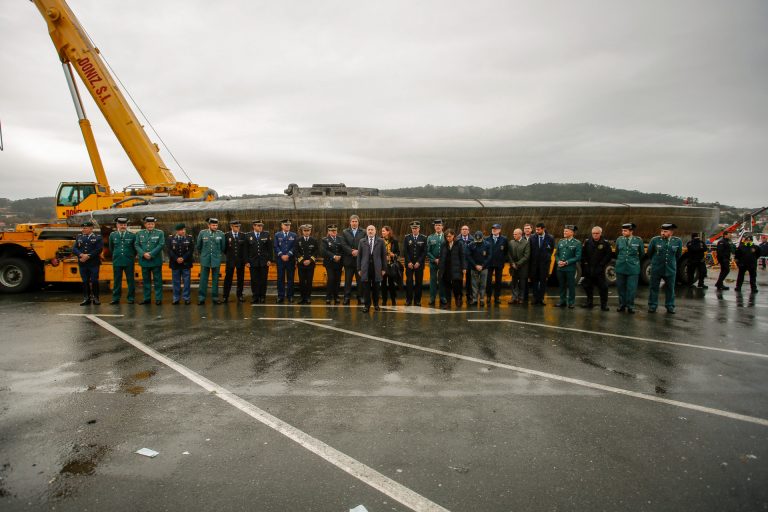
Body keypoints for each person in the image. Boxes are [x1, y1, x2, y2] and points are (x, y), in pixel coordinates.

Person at [647, 223, 683, 314]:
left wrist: (671, 263)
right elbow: (650, 253)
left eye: (665, 231)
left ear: (671, 232)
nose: (663, 233)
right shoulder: (655, 240)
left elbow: (678, 255)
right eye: (662, 231)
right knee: (654, 287)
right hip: (656, 268)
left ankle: (670, 306)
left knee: (670, 288)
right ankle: (652, 305)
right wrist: (655, 262)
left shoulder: (677, 241)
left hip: (670, 269)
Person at [135, 216, 165, 305]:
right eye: (148, 224)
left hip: (155, 260)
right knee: (146, 281)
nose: (150, 225)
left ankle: (158, 299)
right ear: (145, 224)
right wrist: (143, 254)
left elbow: (161, 244)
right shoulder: (139, 233)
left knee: (157, 281)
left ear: (154, 224)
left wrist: (151, 254)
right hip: (144, 261)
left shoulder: (160, 233)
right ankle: (147, 298)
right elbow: (136, 245)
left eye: (152, 224)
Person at [615, 222, 644, 314]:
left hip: (633, 268)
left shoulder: (638, 240)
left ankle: (630, 306)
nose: (623, 232)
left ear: (631, 231)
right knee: (621, 287)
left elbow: (642, 253)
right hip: (621, 267)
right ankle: (622, 305)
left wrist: (634, 261)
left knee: (631, 288)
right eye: (622, 230)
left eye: (625, 231)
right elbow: (617, 252)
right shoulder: (619, 240)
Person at [580, 226, 612, 311]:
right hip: (589, 269)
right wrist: (586, 264)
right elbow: (583, 254)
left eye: (597, 233)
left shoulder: (605, 243)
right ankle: (589, 303)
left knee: (603, 288)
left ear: (600, 233)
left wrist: (601, 265)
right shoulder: (587, 242)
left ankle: (604, 305)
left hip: (599, 269)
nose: (595, 235)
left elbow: (608, 255)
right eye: (593, 233)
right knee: (587, 286)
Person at [73, 221, 103, 306]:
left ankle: (96, 298)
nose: (83, 229)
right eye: (83, 228)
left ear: (91, 228)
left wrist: (88, 256)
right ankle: (86, 298)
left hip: (93, 263)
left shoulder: (97, 237)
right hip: (82, 263)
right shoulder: (79, 237)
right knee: (85, 281)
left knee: (94, 280)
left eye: (85, 228)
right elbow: (74, 249)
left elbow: (99, 249)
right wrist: (81, 255)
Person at [357, 224, 387, 312]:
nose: (370, 231)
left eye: (372, 230)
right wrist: (359, 269)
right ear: (366, 231)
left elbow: (383, 256)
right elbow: (359, 256)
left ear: (375, 231)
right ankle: (366, 306)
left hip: (377, 268)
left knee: (376, 288)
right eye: (369, 230)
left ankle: (376, 305)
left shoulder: (380, 241)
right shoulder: (362, 241)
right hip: (365, 268)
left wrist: (384, 269)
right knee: (366, 288)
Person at [196, 217, 226, 304]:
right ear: (209, 225)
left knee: (215, 279)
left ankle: (215, 298)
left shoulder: (221, 234)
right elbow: (199, 246)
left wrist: (217, 255)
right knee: (203, 280)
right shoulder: (202, 233)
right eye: (213, 225)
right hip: (205, 259)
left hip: (216, 260)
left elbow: (223, 247)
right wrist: (204, 254)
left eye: (216, 225)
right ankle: (201, 298)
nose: (215, 227)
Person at [108, 216, 136, 304]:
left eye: (124, 224)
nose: (123, 226)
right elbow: (111, 248)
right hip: (117, 260)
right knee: (117, 280)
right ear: (117, 225)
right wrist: (117, 255)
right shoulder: (113, 235)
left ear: (126, 225)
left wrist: (131, 256)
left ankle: (131, 298)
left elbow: (134, 249)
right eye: (121, 225)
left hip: (129, 261)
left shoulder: (132, 235)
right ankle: (116, 298)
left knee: (130, 280)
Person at [555, 225, 582, 308]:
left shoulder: (577, 243)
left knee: (571, 285)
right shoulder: (561, 242)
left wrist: (566, 262)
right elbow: (556, 254)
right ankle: (562, 301)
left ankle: (571, 302)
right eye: (564, 231)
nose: (564, 232)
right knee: (561, 285)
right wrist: (558, 261)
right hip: (560, 268)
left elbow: (578, 257)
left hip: (570, 268)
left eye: (566, 231)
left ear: (572, 232)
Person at [166, 223, 194, 305]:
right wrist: (176, 258)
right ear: (177, 231)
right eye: (181, 230)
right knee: (176, 282)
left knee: (187, 282)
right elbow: (169, 250)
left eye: (184, 229)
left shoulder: (189, 238)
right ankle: (176, 298)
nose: (183, 231)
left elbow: (191, 250)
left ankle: (186, 298)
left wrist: (183, 258)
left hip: (186, 263)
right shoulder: (171, 238)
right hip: (175, 263)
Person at [245, 219, 271, 304]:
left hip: (264, 262)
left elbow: (270, 249)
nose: (260, 227)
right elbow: (246, 250)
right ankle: (255, 296)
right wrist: (247, 261)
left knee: (263, 280)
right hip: (253, 262)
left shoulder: (266, 234)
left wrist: (269, 259)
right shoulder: (248, 235)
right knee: (254, 280)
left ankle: (262, 296)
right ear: (254, 226)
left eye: (261, 226)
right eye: (259, 226)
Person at [340, 215, 365, 305]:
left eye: (356, 221)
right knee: (347, 281)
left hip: (360, 261)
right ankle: (347, 297)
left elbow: (365, 243)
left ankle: (360, 297)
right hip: (348, 260)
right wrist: (351, 251)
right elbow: (343, 244)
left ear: (358, 222)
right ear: (350, 222)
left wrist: (359, 251)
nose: (354, 223)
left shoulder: (363, 232)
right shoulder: (345, 232)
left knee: (360, 281)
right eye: (352, 221)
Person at [529, 222, 555, 306]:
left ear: (543, 229)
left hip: (544, 264)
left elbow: (550, 250)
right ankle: (535, 298)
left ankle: (541, 299)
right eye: (536, 229)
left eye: (538, 229)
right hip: (534, 264)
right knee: (535, 282)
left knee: (543, 282)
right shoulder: (532, 237)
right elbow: (531, 250)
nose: (536, 231)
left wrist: (546, 258)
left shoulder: (550, 238)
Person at [438, 228, 465, 309]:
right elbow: (441, 256)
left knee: (456, 286)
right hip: (446, 268)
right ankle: (448, 303)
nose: (448, 238)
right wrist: (440, 268)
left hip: (456, 268)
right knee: (447, 286)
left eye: (449, 236)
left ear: (453, 236)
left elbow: (462, 256)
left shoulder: (459, 244)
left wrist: (464, 268)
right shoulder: (443, 244)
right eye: (446, 237)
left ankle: (458, 298)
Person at [403, 220, 427, 306]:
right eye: (413, 228)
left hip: (419, 265)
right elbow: (405, 251)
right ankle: (408, 300)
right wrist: (409, 262)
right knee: (409, 282)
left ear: (419, 228)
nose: (414, 230)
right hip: (409, 265)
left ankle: (417, 300)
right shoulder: (407, 237)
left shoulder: (424, 238)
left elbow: (424, 252)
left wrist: (419, 262)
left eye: (416, 228)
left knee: (418, 282)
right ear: (411, 229)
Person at [223, 220, 248, 302]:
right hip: (230, 261)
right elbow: (224, 248)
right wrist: (228, 256)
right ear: (231, 227)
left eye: (239, 226)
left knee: (240, 279)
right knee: (228, 279)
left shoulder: (243, 235)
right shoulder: (226, 235)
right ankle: (225, 296)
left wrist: (244, 260)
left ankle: (239, 295)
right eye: (236, 226)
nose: (238, 228)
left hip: (240, 261)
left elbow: (245, 249)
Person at [274, 219, 297, 303]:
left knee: (290, 279)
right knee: (280, 278)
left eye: (289, 225)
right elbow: (276, 246)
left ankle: (290, 296)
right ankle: (280, 296)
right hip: (280, 260)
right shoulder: (277, 235)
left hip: (290, 260)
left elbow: (295, 247)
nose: (287, 226)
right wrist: (281, 255)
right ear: (282, 226)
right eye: (286, 225)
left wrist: (288, 255)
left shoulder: (294, 235)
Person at [485, 223, 508, 306]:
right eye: (493, 228)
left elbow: (506, 251)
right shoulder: (487, 239)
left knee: (498, 281)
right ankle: (488, 296)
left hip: (499, 264)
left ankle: (497, 297)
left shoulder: (504, 239)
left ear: (499, 230)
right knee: (488, 281)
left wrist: (503, 261)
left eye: (496, 228)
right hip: (489, 264)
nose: (494, 230)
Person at [296, 224, 319, 304]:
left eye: (308, 231)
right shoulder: (298, 240)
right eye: (305, 231)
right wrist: (302, 261)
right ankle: (302, 297)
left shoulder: (314, 240)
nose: (306, 232)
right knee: (301, 281)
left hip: (310, 264)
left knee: (309, 281)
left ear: (310, 231)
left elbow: (316, 251)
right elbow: (296, 252)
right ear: (302, 231)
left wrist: (310, 260)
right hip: (301, 264)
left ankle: (308, 297)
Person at [467, 231, 491, 306]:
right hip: (474, 267)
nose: (477, 241)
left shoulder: (487, 244)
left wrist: (483, 266)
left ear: (482, 238)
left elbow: (489, 256)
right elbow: (468, 256)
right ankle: (474, 299)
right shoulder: (471, 244)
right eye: (476, 240)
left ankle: (482, 299)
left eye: (479, 240)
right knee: (474, 284)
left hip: (484, 268)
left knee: (483, 284)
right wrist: (475, 265)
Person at [321, 224, 344, 304]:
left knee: (338, 280)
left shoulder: (341, 239)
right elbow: (324, 251)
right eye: (331, 230)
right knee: (331, 279)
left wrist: (340, 256)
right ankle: (328, 297)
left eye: (335, 230)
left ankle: (336, 296)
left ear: (337, 231)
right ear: (329, 231)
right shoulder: (325, 240)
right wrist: (334, 256)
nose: (333, 232)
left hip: (339, 263)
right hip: (329, 263)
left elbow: (343, 249)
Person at [427, 219, 446, 307]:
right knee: (433, 280)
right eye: (436, 225)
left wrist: (442, 259)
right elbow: (428, 251)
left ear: (442, 226)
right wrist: (434, 259)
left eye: (439, 225)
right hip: (433, 262)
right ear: (434, 227)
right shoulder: (430, 237)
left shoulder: (446, 237)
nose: (438, 227)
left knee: (442, 280)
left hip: (443, 263)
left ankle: (442, 297)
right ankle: (432, 297)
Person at [507, 228, 529, 305]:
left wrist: (517, 264)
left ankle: (521, 298)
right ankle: (514, 298)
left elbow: (526, 256)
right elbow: (509, 254)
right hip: (513, 267)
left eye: (515, 234)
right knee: (514, 283)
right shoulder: (511, 242)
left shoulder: (526, 243)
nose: (514, 235)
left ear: (520, 234)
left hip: (522, 267)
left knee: (522, 284)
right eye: (513, 234)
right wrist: (512, 263)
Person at [380, 226, 400, 306]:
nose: (382, 232)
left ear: (388, 232)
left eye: (384, 231)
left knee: (392, 284)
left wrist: (393, 255)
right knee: (383, 283)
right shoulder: (380, 241)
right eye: (382, 231)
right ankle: (384, 300)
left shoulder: (394, 241)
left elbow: (398, 253)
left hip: (391, 265)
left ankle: (393, 299)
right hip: (382, 265)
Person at [458, 225, 473, 302]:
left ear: (468, 231)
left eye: (466, 229)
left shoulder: (472, 240)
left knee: (469, 281)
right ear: (461, 230)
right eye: (463, 229)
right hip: (460, 264)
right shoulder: (457, 239)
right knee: (459, 280)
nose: (464, 230)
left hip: (470, 264)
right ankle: (459, 296)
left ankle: (469, 295)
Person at [522, 223, 534, 302]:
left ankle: (535, 297)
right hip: (524, 263)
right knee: (524, 280)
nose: (527, 230)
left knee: (534, 280)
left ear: (531, 229)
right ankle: (524, 297)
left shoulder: (535, 238)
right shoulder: (521, 238)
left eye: (528, 228)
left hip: (533, 262)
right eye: (525, 228)